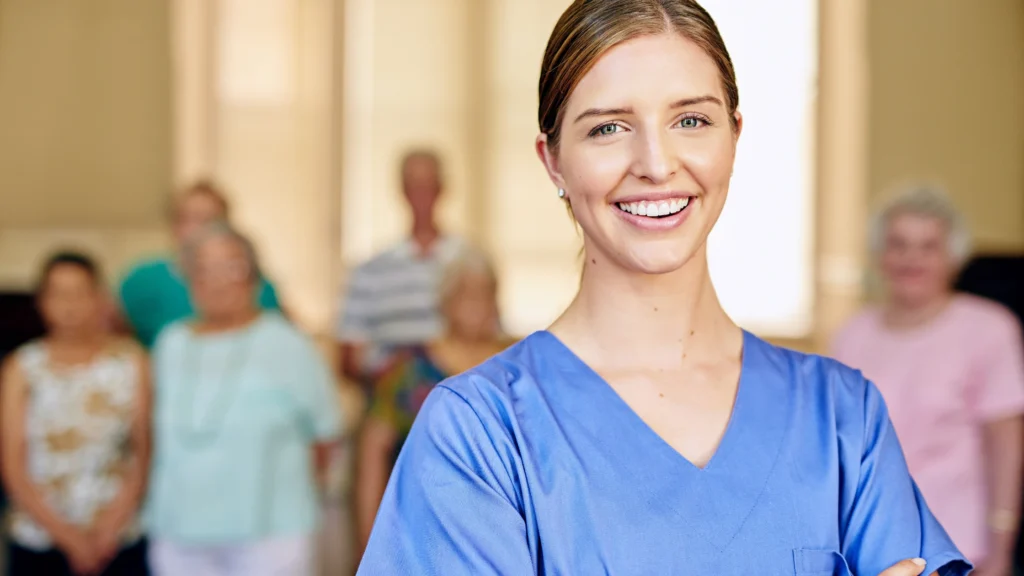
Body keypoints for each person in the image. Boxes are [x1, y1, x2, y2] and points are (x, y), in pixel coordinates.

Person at [357, 1, 971, 575]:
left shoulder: (842, 421)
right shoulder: (481, 435)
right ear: (553, 162)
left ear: (734, 136)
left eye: (691, 119)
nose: (656, 162)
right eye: (607, 129)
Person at [832, 184, 1024, 575]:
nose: (910, 258)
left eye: (928, 246)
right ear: (879, 255)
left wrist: (1002, 549)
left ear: (953, 256)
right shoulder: (853, 332)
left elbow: (1005, 446)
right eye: (898, 244)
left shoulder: (988, 327)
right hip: (871, 542)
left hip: (960, 547)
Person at [145, 223, 341, 576]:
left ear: (253, 276)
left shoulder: (287, 343)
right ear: (189, 279)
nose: (217, 280)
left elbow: (324, 436)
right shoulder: (169, 343)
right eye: (204, 269)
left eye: (232, 267)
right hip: (178, 531)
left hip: (270, 533)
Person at [1, 252, 151, 576]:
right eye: (58, 294)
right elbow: (13, 463)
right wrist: (70, 538)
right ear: (42, 301)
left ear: (99, 297)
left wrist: (110, 527)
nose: (69, 305)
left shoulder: (130, 361)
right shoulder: (22, 367)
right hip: (39, 538)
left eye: (80, 293)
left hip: (117, 537)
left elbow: (142, 452)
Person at [354, 249, 507, 554]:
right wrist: (371, 547)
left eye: (485, 294)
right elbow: (372, 457)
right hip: (423, 537)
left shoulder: (514, 366)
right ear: (444, 302)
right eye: (465, 295)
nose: (477, 305)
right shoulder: (409, 370)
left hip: (500, 539)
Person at [335, 150, 466, 389]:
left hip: (456, 386)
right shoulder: (369, 271)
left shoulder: (469, 264)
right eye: (414, 185)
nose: (422, 195)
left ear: (442, 189)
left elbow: (488, 339)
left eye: (428, 185)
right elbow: (348, 357)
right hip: (390, 394)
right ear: (402, 191)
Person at [118, 180, 283, 348]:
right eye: (185, 219)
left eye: (207, 219)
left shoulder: (254, 285)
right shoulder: (141, 282)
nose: (196, 228)